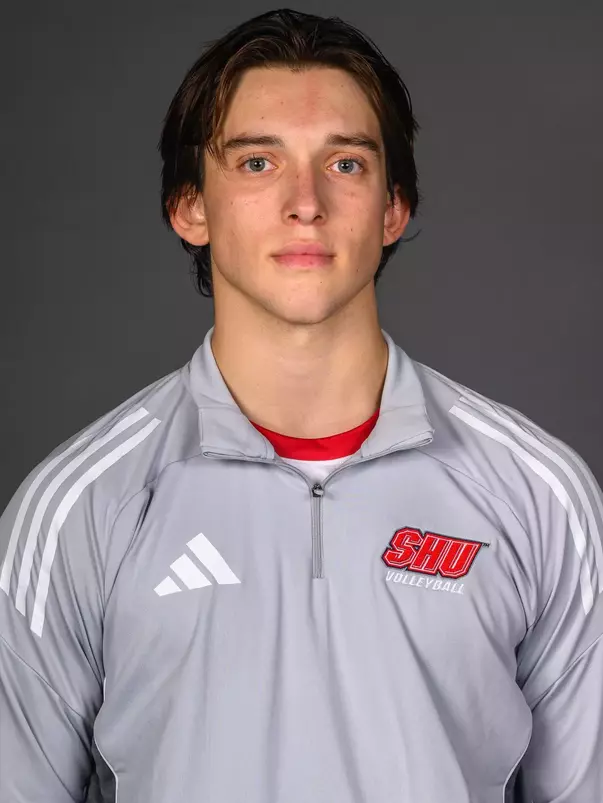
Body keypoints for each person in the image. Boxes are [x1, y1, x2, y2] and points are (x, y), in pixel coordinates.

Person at [1, 7, 601, 802]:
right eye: (256, 163)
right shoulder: (77, 507)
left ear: (394, 207)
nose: (305, 203)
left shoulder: (539, 493)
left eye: (345, 164)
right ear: (190, 207)